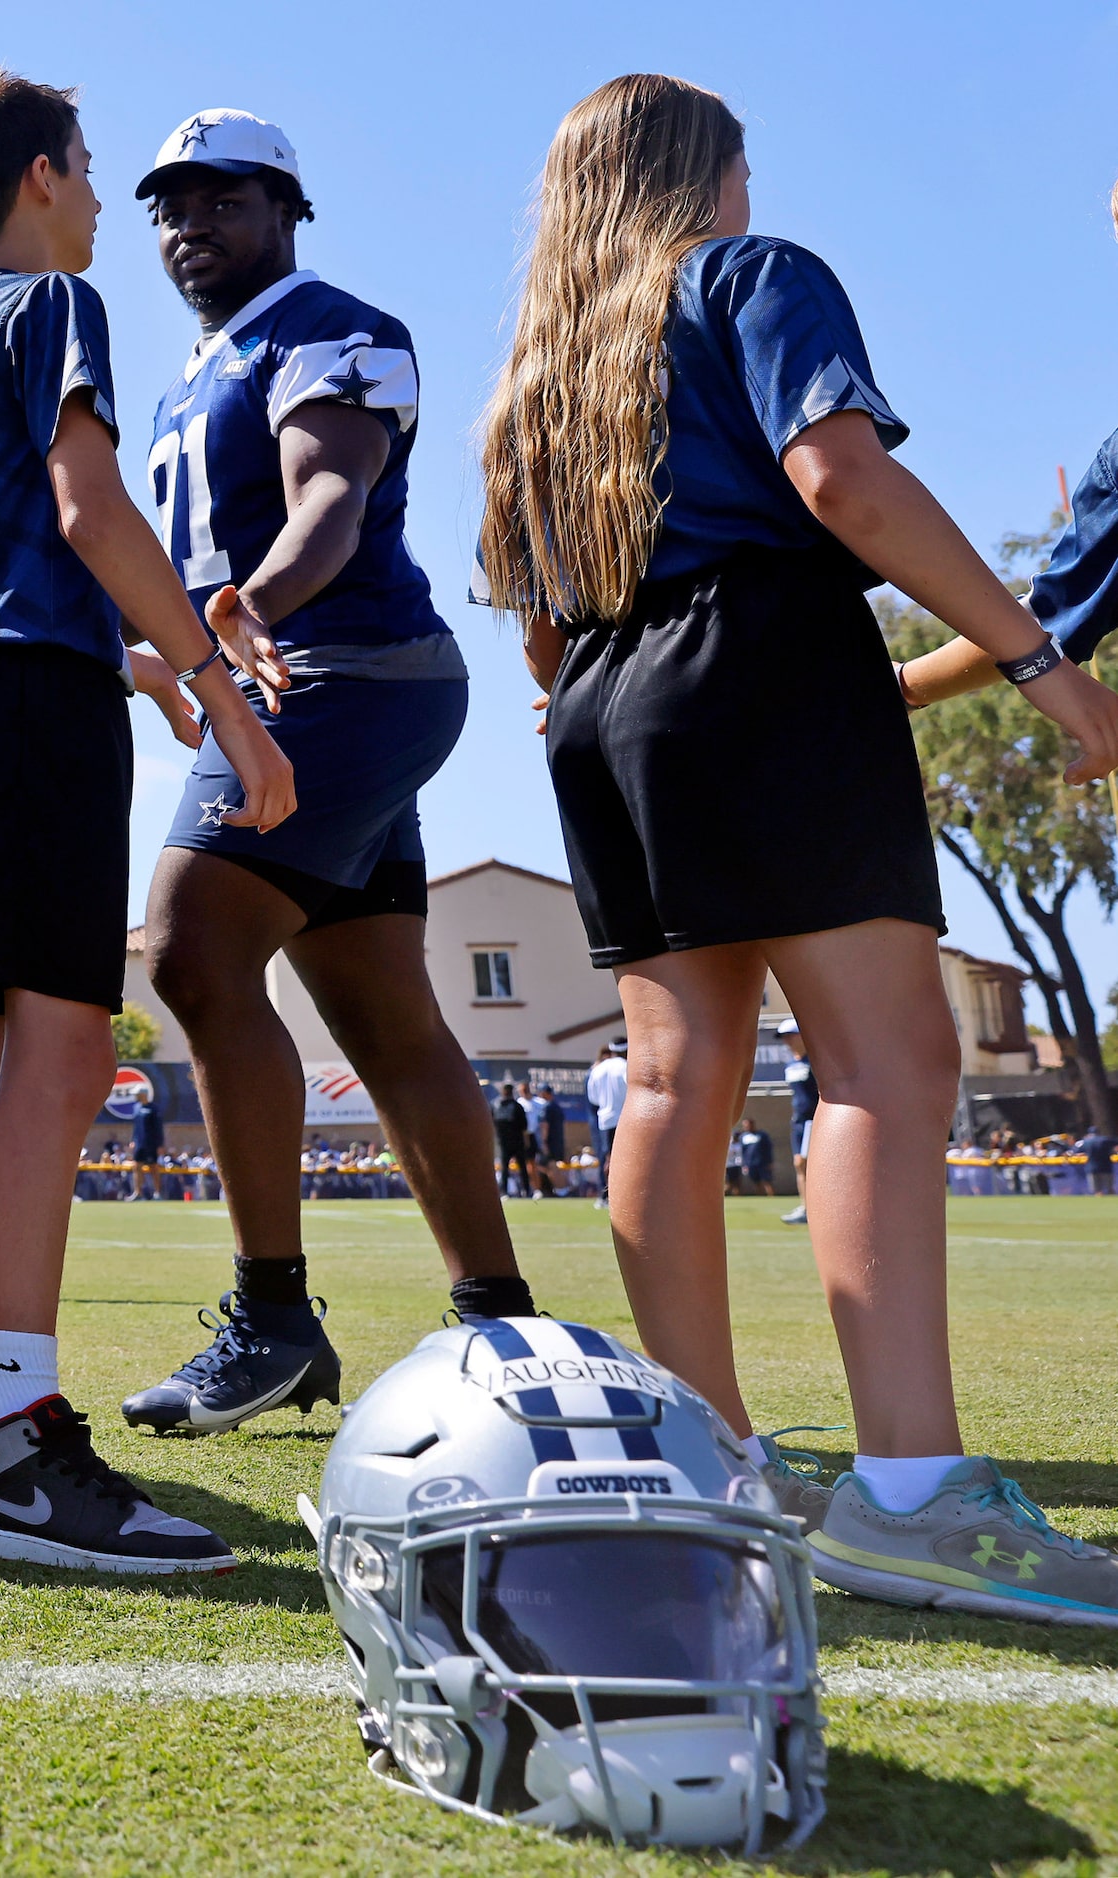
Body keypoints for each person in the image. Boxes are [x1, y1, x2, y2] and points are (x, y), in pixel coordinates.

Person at [477, 74, 1118, 1621]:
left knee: (676, 1074)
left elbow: (539, 629)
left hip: (598, 705)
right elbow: (840, 481)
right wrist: (1040, 661)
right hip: (763, 660)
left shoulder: (542, 374)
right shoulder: (750, 276)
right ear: (714, 175)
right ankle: (909, 1490)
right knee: (887, 1065)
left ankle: (708, 1468)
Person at [0, 71, 290, 1575]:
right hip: (24, 715)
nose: (105, 197)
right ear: (44, 175)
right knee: (57, 1056)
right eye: (93, 167)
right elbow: (89, 509)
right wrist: (216, 686)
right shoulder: (55, 304)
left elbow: (5, 562)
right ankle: (15, 1435)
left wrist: (122, 656)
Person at [119, 107, 543, 1435]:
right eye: (170, 205)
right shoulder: (195, 371)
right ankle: (500, 1315)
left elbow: (327, 499)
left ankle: (271, 1313)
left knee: (191, 948)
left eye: (222, 198)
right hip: (297, 684)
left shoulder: (332, 327)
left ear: (287, 208)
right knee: (376, 1009)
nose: (191, 223)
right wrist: (159, 649)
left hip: (342, 673)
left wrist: (247, 607)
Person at [775, 1017, 817, 1224]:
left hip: (813, 1119)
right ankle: (806, 1208)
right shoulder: (792, 1062)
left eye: (791, 1036)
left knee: (804, 1163)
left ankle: (815, 1210)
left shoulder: (815, 1062)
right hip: (798, 1121)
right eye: (784, 1038)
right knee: (799, 1165)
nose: (787, 1041)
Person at [586, 1036, 629, 1200]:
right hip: (624, 1118)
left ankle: (605, 1194)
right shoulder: (626, 1067)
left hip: (604, 1119)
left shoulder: (598, 1069)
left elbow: (593, 1098)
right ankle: (615, 1195)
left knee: (608, 1157)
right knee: (622, 1160)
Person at [491, 1082, 533, 1197]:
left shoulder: (495, 1104)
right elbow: (524, 1126)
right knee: (522, 1167)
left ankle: (504, 1192)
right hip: (517, 1141)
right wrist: (526, 1141)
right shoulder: (517, 1106)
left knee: (505, 1168)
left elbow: (491, 1122)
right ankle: (526, 1190)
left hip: (503, 1142)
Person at [127, 1080, 164, 1200]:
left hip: (151, 1144)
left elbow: (158, 1128)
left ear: (143, 1094)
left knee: (153, 1168)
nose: (135, 1096)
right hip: (139, 1144)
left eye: (137, 1093)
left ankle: (157, 1193)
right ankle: (138, 1193)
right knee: (136, 1167)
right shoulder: (136, 1108)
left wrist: (160, 1144)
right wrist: (133, 1140)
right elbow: (136, 1127)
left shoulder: (153, 1108)